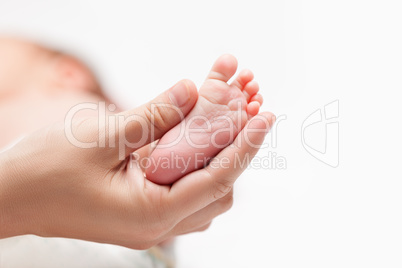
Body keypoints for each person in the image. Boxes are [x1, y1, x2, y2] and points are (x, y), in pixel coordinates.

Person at [0, 37, 275, 267]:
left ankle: (156, 164)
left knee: (107, 144)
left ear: (68, 74)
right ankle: (162, 165)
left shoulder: (57, 98)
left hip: (87, 226)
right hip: (119, 247)